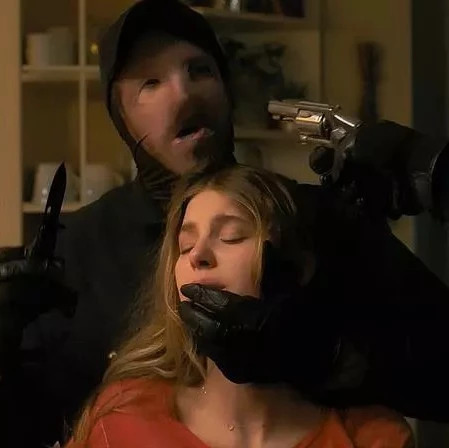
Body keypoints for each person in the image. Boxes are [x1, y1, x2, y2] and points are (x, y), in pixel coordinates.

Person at [0, 0, 447, 446]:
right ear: (121, 116)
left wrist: (323, 355)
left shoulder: (315, 219)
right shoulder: (80, 249)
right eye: (151, 82)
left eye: (200, 70)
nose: (184, 93)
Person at [66, 164, 414, 448]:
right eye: (185, 246)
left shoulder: (373, 437)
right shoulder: (121, 420)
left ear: (296, 267)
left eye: (231, 237)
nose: (198, 256)